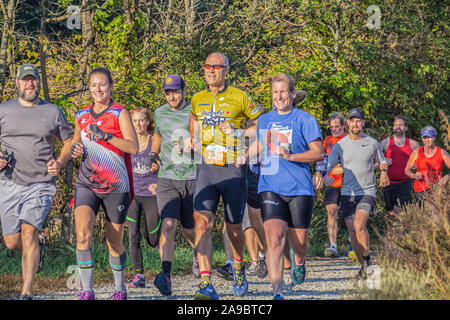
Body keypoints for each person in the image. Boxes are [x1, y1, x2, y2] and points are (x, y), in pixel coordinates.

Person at [189, 52, 263, 300]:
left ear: (227, 70)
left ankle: (239, 267)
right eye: (207, 66)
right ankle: (206, 282)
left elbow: (261, 124)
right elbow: (193, 118)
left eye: (216, 67)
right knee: (202, 222)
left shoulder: (240, 96)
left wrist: (240, 132)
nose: (210, 70)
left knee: (233, 228)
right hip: (207, 167)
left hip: (233, 167)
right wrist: (194, 140)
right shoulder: (197, 98)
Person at [0, 63, 73, 300]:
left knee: (29, 231)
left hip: (41, 183)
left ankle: (26, 292)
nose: (29, 84)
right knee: (12, 242)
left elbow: (69, 141)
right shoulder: (4, 110)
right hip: (10, 183)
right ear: (17, 83)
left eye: (33, 80)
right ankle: (37, 247)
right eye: (25, 80)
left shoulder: (53, 111)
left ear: (39, 82)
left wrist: (60, 163)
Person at [248, 73, 324, 300]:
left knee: (299, 243)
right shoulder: (264, 120)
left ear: (292, 94)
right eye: (275, 92)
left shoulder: (305, 120)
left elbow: (318, 153)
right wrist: (243, 156)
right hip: (270, 185)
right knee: (274, 239)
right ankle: (277, 291)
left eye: (282, 91)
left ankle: (299, 261)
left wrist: (290, 156)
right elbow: (260, 144)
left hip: (299, 188)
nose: (278, 96)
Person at [70, 67, 138, 300]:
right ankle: (87, 290)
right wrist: (74, 149)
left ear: (110, 86)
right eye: (93, 85)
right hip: (87, 182)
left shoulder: (120, 113)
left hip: (116, 185)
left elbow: (133, 147)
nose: (98, 89)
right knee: (82, 235)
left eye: (102, 84)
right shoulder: (81, 116)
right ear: (89, 89)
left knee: (114, 242)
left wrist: (107, 136)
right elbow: (75, 145)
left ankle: (120, 289)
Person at [324, 108, 389, 278]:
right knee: (353, 231)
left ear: (363, 122)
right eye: (352, 121)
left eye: (358, 120)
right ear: (348, 123)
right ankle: (364, 266)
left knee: (360, 225)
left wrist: (383, 172)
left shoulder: (372, 142)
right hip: (347, 192)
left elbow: (382, 160)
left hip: (367, 191)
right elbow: (329, 164)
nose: (355, 124)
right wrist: (325, 176)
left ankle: (367, 261)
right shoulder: (340, 145)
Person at [151, 74, 198, 296]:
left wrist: (192, 145)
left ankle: (199, 251)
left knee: (190, 228)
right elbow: (158, 136)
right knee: (168, 224)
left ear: (183, 91)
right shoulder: (159, 112)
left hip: (192, 176)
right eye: (168, 92)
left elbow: (205, 139)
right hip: (167, 177)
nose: (171, 96)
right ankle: (166, 275)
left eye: (175, 91)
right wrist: (153, 153)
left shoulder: (195, 112)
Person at [126, 108, 160, 288]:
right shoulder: (127, 142)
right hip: (132, 195)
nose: (137, 124)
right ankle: (138, 275)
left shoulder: (155, 141)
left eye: (141, 120)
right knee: (133, 235)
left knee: (153, 239)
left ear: (148, 121)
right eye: (134, 121)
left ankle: (163, 263)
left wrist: (160, 182)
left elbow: (168, 163)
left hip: (151, 195)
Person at [314, 112, 355, 259]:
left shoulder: (350, 139)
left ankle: (353, 245)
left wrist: (342, 169)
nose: (334, 129)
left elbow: (356, 162)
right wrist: (323, 175)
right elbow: (323, 162)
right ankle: (333, 246)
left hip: (348, 182)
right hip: (332, 182)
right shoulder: (327, 140)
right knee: (331, 212)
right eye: (332, 127)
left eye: (337, 126)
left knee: (350, 215)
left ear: (344, 126)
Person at [380, 115, 420, 218]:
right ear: (393, 127)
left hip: (404, 183)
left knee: (399, 213)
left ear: (406, 127)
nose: (398, 127)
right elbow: (374, 161)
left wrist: (415, 166)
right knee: (390, 214)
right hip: (387, 183)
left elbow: (421, 162)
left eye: (401, 125)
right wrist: (383, 161)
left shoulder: (413, 144)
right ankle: (392, 233)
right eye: (395, 125)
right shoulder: (385, 143)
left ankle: (399, 233)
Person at [404, 126, 450, 202]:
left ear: (434, 138)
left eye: (429, 137)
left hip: (436, 188)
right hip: (420, 189)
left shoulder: (442, 152)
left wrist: (447, 177)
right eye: (424, 137)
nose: (427, 140)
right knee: (420, 213)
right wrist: (414, 175)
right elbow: (407, 169)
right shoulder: (416, 152)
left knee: (434, 212)